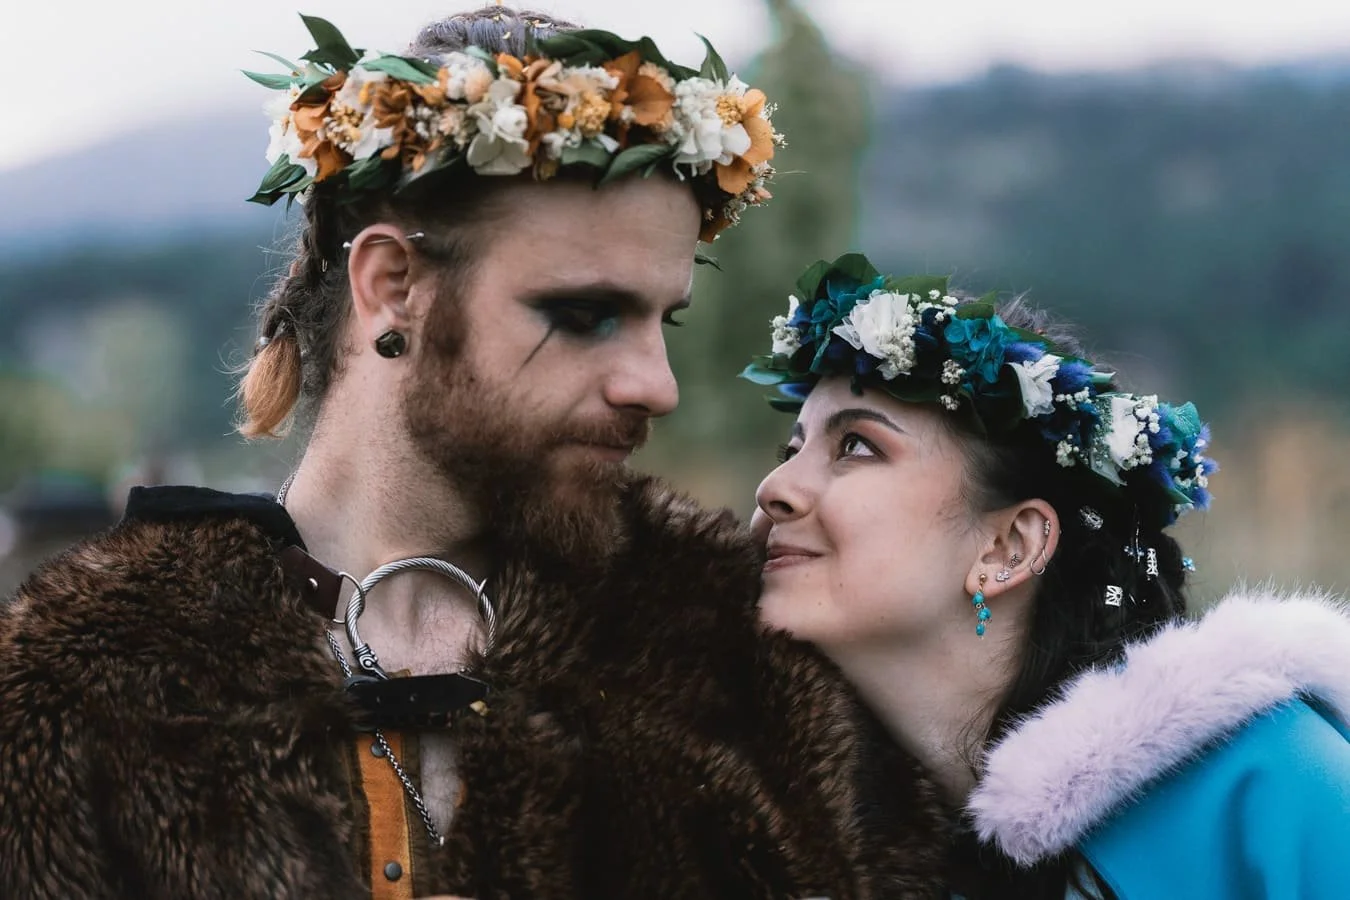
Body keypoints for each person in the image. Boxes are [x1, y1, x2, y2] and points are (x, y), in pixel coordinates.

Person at [0, 14, 950, 900]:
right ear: (393, 287)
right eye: (582, 315)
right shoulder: (85, 687)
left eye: (665, 320)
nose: (655, 383)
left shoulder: (739, 656)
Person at [743, 251, 1350, 899]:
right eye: (790, 449)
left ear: (1008, 547)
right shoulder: (790, 852)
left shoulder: (1273, 791)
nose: (775, 488)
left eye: (856, 446)